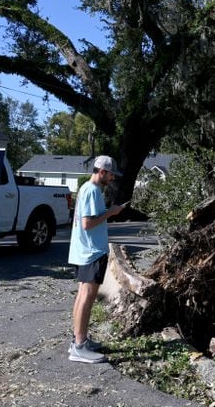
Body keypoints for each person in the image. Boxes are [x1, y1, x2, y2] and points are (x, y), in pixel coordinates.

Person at [67, 155, 126, 363]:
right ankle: (79, 347)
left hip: (83, 251)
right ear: (102, 171)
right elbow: (87, 223)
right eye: (111, 174)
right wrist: (111, 212)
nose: (112, 178)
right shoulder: (92, 191)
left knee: (83, 294)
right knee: (87, 296)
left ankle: (79, 339)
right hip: (91, 251)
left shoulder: (85, 188)